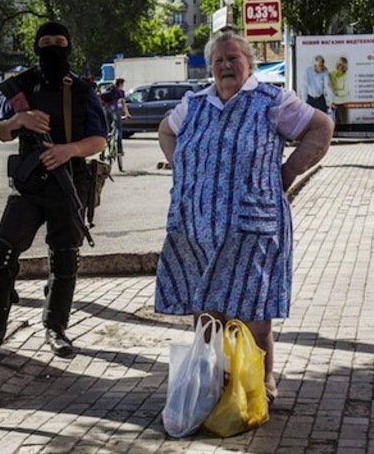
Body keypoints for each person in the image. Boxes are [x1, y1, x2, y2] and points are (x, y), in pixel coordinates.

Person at [155, 31, 333, 406]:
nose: (225, 66)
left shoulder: (271, 100)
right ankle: (212, 385)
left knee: (255, 312)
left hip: (254, 227)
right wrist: (184, 173)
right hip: (198, 228)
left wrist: (286, 173)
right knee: (207, 312)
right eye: (218, 60)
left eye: (233, 58)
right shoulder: (195, 103)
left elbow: (321, 127)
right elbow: (166, 131)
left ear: (249, 62)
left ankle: (261, 384)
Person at [0, 22, 107, 357]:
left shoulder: (82, 90)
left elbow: (99, 139)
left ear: (69, 45)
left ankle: (56, 329)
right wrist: (19, 121)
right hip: (29, 185)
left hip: (69, 182)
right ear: (36, 46)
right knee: (1, 253)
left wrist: (70, 150)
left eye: (59, 41)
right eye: (46, 41)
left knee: (65, 258)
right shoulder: (21, 87)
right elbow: (1, 131)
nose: (53, 46)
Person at [103, 78, 131, 156]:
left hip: (106, 109)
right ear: (121, 84)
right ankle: (119, 150)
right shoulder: (120, 91)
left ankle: (108, 150)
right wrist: (127, 114)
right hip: (114, 109)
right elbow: (123, 104)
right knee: (118, 129)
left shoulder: (109, 89)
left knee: (108, 130)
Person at [329, 56, 349, 124]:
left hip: (342, 104)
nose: (337, 65)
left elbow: (346, 90)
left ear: (344, 66)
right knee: (335, 123)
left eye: (340, 64)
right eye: (337, 63)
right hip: (333, 103)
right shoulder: (332, 74)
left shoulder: (346, 76)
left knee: (343, 122)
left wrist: (336, 92)